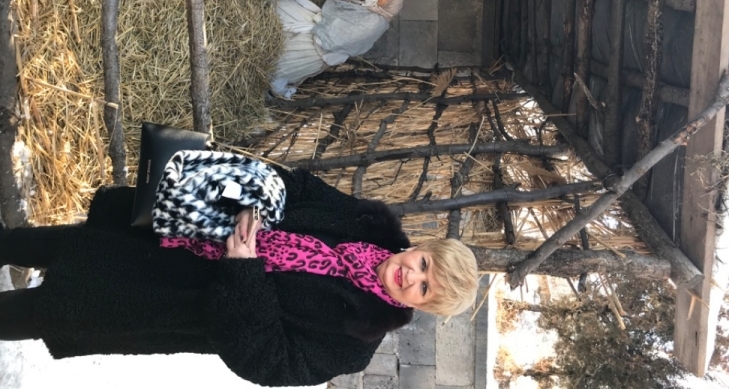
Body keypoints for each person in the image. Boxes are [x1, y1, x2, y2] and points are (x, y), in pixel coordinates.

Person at [0, 166, 479, 387]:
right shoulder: (363, 221)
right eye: (424, 265)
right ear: (421, 248)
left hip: (161, 301)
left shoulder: (353, 343)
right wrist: (257, 202)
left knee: (44, 311)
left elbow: (272, 364)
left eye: (423, 289)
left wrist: (244, 271)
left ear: (419, 306)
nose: (410, 276)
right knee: (52, 244)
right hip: (168, 236)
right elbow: (298, 186)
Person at [269, 0, 403, 98]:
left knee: (277, 57)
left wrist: (327, 24)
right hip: (323, 28)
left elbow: (344, 36)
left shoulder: (374, 23)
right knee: (285, 11)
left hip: (322, 43)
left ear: (390, 4)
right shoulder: (376, 14)